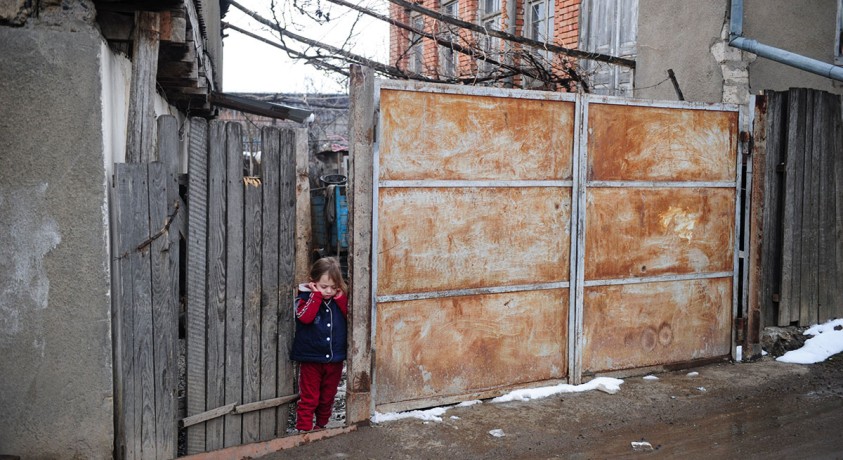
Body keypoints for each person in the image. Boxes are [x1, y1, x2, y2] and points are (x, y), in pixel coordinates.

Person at [291, 257, 348, 432]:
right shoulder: (305, 298)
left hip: (334, 360)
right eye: (324, 287)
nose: (328, 291)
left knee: (327, 397)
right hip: (311, 359)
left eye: (333, 287)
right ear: (313, 282)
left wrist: (340, 298)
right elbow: (305, 317)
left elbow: (353, 317)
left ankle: (320, 426)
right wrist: (315, 295)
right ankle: (304, 430)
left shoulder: (340, 301)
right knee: (309, 397)